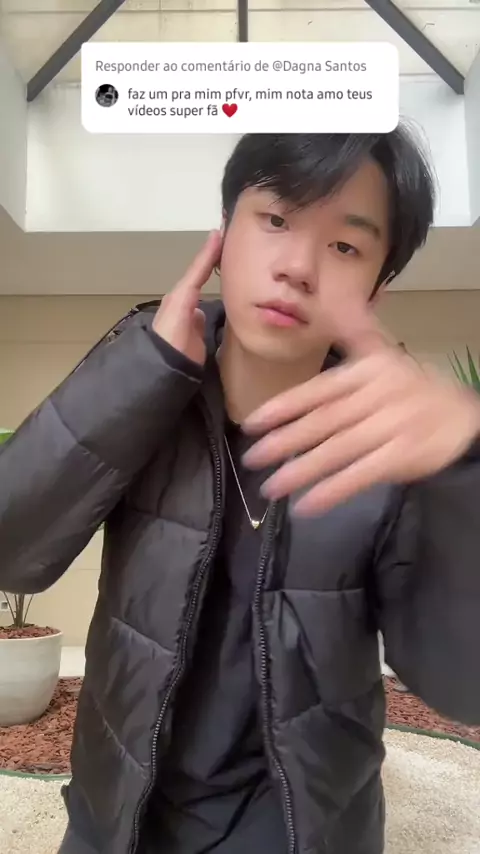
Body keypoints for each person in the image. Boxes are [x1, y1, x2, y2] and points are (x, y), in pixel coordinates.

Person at [1, 131, 480, 854]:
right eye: (277, 218)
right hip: (117, 822)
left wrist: (460, 474)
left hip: (302, 834)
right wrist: (144, 374)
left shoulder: (388, 446)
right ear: (223, 236)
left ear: (377, 288)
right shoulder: (143, 384)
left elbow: (462, 683)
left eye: (345, 246)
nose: (297, 268)